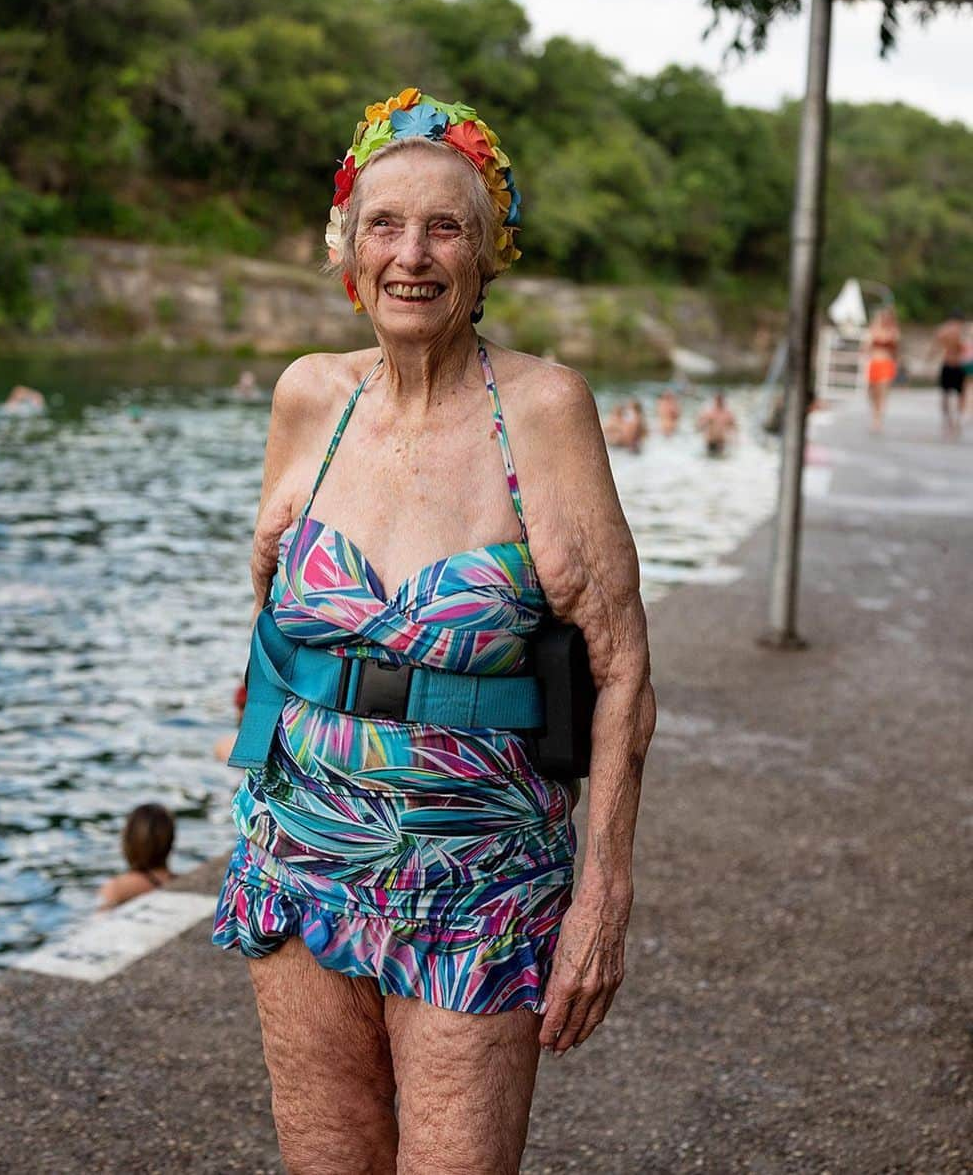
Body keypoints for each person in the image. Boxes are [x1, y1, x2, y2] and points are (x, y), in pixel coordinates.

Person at [212, 88, 656, 1175]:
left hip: (479, 877)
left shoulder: (545, 411)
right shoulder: (309, 398)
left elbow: (626, 666)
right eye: (385, 225)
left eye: (445, 226)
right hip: (301, 856)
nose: (412, 255)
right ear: (348, 251)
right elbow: (268, 610)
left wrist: (602, 893)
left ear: (489, 249)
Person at [97, 803, 175, 909]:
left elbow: (100, 922)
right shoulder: (182, 882)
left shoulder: (116, 889)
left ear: (128, 841)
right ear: (170, 841)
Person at [864, 305, 900, 432]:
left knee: (882, 392)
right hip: (874, 362)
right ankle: (875, 413)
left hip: (886, 363)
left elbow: (896, 349)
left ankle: (878, 419)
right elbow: (866, 346)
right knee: (872, 392)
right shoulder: (873, 330)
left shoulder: (893, 332)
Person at [933, 310, 967, 439]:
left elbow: (936, 346)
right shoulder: (961, 331)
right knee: (959, 394)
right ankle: (957, 419)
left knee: (946, 394)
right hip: (959, 364)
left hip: (947, 362)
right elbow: (964, 347)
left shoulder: (942, 330)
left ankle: (948, 421)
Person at [696, 392, 737, 457]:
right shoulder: (710, 413)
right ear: (715, 400)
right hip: (711, 441)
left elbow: (734, 428)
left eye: (721, 400)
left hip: (721, 442)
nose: (720, 401)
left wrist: (734, 440)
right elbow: (699, 426)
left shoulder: (728, 414)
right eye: (718, 400)